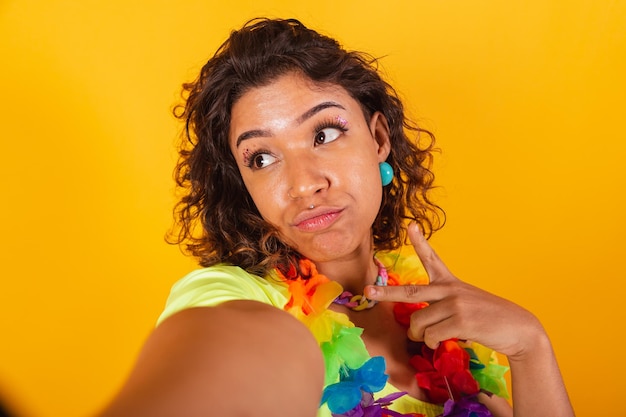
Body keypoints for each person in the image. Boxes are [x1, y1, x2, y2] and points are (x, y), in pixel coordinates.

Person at [96, 18, 574, 417]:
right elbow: (218, 350)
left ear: (379, 139)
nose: (304, 183)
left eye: (324, 134)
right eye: (261, 158)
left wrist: (530, 347)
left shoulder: (438, 313)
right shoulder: (237, 298)